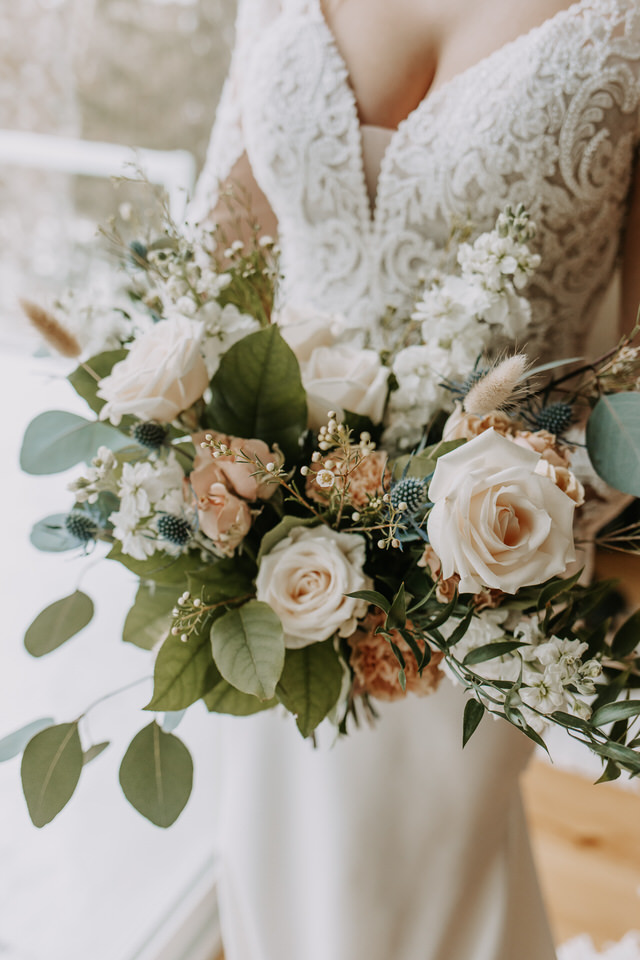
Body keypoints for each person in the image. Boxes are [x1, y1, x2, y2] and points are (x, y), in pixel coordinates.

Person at [188, 1, 640, 958]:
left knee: (421, 895)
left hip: (488, 573)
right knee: (281, 867)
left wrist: (534, 523)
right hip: (273, 552)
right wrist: (197, 445)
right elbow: (222, 235)